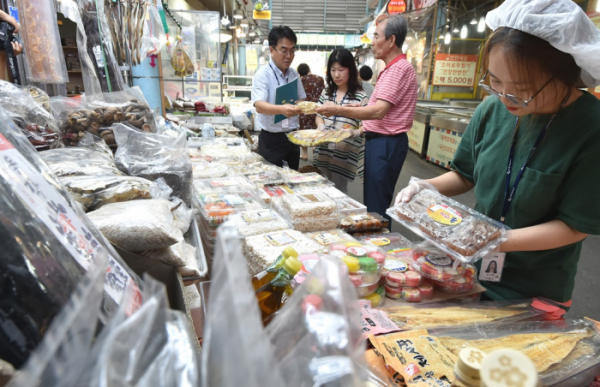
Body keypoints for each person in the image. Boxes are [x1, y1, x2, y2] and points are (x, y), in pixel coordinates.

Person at [396, 0, 600, 304]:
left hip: (536, 288)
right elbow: (464, 175)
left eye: (520, 87)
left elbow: (574, 226)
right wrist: (425, 186)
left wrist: (498, 240)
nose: (505, 96)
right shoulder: (492, 109)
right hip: (470, 272)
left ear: (565, 74)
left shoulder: (590, 127)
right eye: (494, 81)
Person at [316, 15, 418, 221]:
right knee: (374, 200)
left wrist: (338, 110)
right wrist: (357, 106)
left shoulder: (397, 69)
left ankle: (379, 245)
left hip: (385, 142)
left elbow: (378, 111)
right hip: (381, 142)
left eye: (376, 36)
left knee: (376, 205)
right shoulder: (391, 68)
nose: (372, 42)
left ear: (391, 40)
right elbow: (376, 107)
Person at [313, 49, 369, 194]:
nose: (336, 75)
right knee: (320, 191)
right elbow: (318, 114)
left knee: (339, 193)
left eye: (341, 70)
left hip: (343, 156)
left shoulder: (360, 97)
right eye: (333, 70)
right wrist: (320, 125)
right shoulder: (327, 92)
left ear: (350, 69)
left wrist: (353, 132)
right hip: (322, 151)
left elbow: (367, 126)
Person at [252, 26, 306, 170]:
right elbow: (259, 105)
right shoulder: (263, 75)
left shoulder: (294, 75)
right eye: (284, 51)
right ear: (271, 50)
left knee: (292, 181)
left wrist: (300, 106)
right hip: (271, 140)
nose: (289, 56)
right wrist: (282, 109)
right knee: (271, 184)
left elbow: (301, 99)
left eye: (292, 51)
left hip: (293, 137)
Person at [297, 63, 325, 161]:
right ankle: (314, 148)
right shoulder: (320, 79)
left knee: (304, 132)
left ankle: (305, 154)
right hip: (317, 109)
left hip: (304, 110)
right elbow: (324, 93)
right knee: (316, 130)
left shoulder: (301, 80)